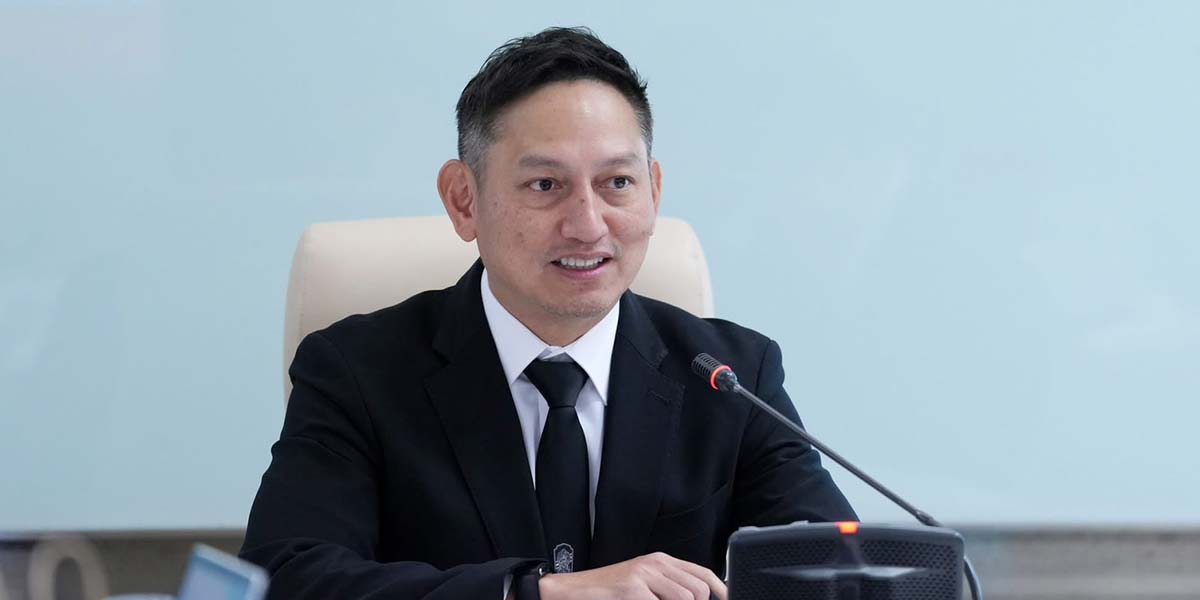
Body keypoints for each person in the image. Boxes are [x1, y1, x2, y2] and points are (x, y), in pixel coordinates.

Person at [240, 26, 855, 600]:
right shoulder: (357, 372)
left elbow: (843, 573)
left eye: (618, 182)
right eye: (545, 186)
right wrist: (537, 593)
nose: (588, 225)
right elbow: (286, 576)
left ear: (654, 190)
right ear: (464, 200)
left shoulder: (732, 377)